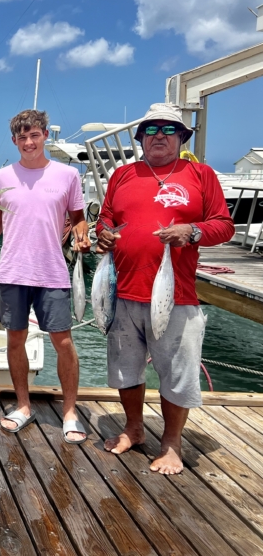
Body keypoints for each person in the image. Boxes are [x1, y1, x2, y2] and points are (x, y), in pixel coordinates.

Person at [96, 103, 233, 474]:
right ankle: (134, 428)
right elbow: (106, 217)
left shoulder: (200, 174)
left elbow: (223, 224)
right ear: (140, 138)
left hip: (176, 295)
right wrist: (103, 234)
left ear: (182, 137)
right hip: (120, 292)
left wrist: (192, 231)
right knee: (125, 369)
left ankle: (171, 443)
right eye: (151, 129)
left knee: (177, 372)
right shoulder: (123, 174)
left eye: (169, 129)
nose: (159, 135)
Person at [0, 109, 90, 443]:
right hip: (12, 271)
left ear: (45, 135)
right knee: (14, 340)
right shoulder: (0, 178)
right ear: (14, 141)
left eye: (34, 135)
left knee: (63, 342)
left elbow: (78, 218)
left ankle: (69, 412)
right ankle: (23, 406)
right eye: (21, 137)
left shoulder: (67, 175)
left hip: (52, 272)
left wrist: (82, 234)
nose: (28, 142)